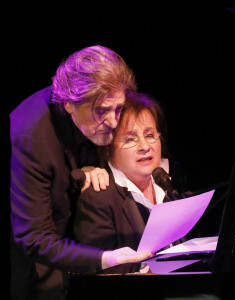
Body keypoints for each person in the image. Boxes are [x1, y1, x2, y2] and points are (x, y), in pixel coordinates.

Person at [10, 45, 152, 300]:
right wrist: (106, 258)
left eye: (118, 108)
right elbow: (35, 239)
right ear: (68, 105)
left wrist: (88, 169)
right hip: (31, 266)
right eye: (102, 111)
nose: (113, 121)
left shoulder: (94, 118)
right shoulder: (30, 137)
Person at [74, 92, 186, 274]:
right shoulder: (98, 198)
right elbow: (100, 275)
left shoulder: (171, 179)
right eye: (129, 139)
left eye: (150, 135)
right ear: (108, 149)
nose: (144, 146)